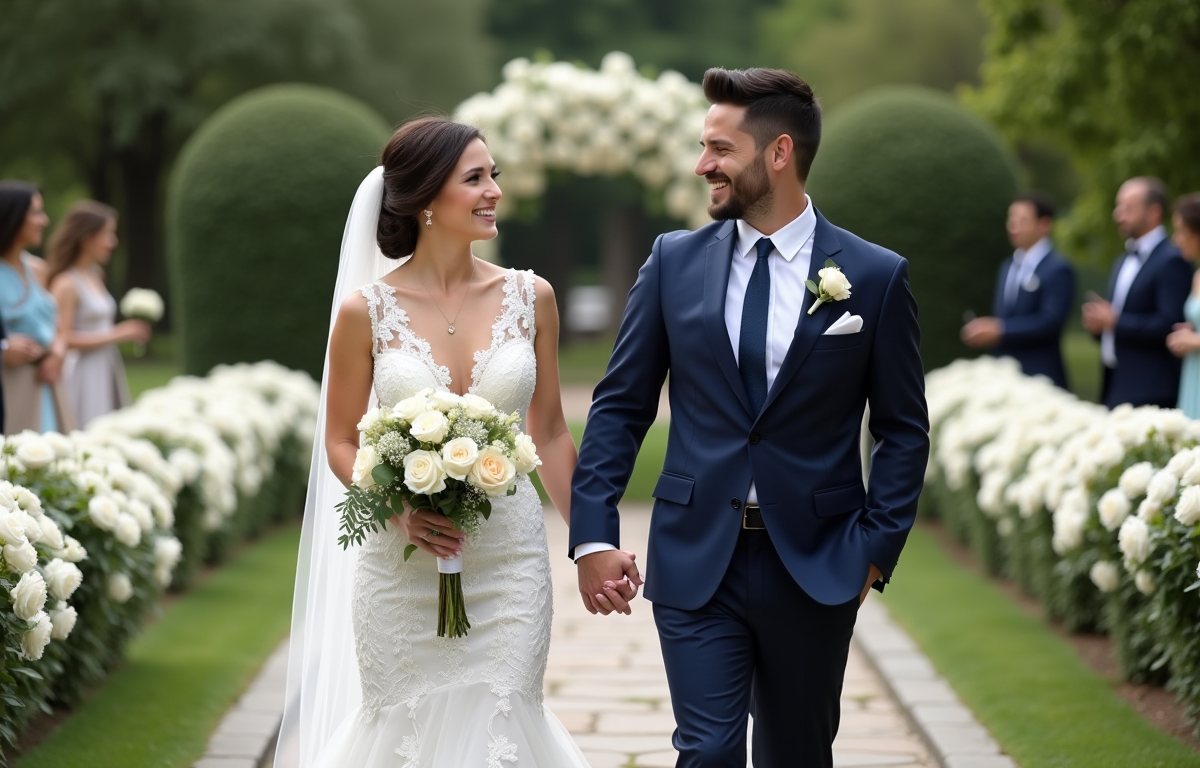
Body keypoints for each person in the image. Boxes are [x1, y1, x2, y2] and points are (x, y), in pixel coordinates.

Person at [569, 68, 929, 767]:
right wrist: (592, 536)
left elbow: (902, 427)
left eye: (719, 148)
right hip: (697, 552)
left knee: (796, 754)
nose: (703, 164)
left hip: (819, 561)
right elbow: (620, 406)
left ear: (779, 153)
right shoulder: (672, 262)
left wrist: (875, 550)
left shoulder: (876, 275)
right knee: (707, 752)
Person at [275, 118, 619, 767]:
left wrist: (591, 544)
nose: (493, 191)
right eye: (475, 178)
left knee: (505, 716)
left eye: (494, 176)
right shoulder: (365, 311)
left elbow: (546, 431)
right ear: (426, 199)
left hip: (510, 561)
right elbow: (342, 440)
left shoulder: (531, 296)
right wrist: (398, 509)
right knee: (402, 730)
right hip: (400, 562)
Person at [1082, 177, 1192, 409]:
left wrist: (1115, 321)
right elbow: (1118, 323)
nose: (1118, 215)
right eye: (1118, 207)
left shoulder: (1173, 259)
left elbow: (1170, 323)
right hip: (1115, 382)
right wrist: (1099, 325)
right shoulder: (1122, 260)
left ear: (1154, 212)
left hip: (1152, 389)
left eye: (1127, 208)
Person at [45, 200, 148, 428]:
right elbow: (63, 338)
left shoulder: (95, 275)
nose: (113, 242)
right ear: (86, 237)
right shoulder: (66, 284)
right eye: (108, 234)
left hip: (106, 365)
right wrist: (118, 334)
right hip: (82, 373)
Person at [961, 192, 1075, 388]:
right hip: (1006, 378)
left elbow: (1050, 322)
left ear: (1044, 224)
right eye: (1011, 219)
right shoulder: (1007, 267)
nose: (1013, 226)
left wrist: (1000, 330)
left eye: (1022, 220)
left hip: (1042, 377)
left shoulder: (1058, 269)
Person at [0, 181, 73, 434]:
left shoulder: (39, 269)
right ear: (11, 216)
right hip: (8, 387)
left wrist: (58, 352)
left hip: (46, 384)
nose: (45, 221)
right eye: (36, 213)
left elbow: (59, 327)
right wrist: (3, 349)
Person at [1165, 194, 1200, 417]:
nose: (1176, 240)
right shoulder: (1197, 275)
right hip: (1193, 374)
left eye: (1181, 231)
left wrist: (1195, 341)